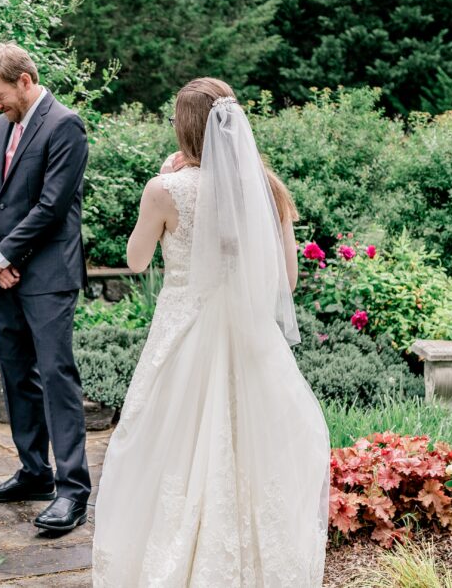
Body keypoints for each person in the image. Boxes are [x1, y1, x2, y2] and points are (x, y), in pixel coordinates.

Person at [92, 77, 330, 586]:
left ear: (183, 128)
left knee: (168, 443)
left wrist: (160, 182)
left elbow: (135, 262)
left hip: (185, 334)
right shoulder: (268, 190)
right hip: (249, 336)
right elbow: (286, 280)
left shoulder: (165, 189)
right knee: (251, 447)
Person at [0, 42, 92, 533]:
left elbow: (52, 206)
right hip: (5, 274)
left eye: (0, 96)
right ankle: (34, 472)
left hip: (48, 276)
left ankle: (73, 490)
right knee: (17, 375)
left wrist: (4, 256)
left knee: (56, 378)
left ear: (25, 80)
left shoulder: (65, 126)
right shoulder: (0, 127)